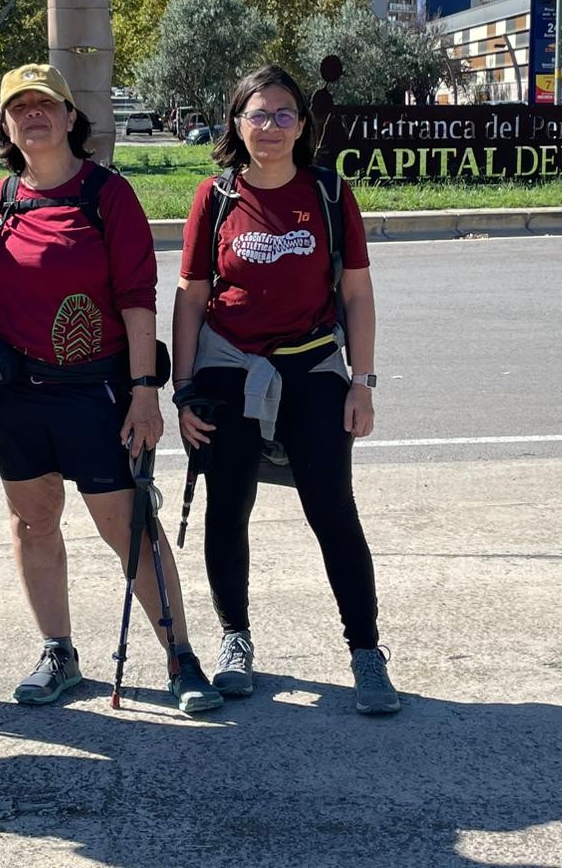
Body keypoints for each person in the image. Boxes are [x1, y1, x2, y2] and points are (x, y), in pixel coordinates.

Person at [0, 63, 221, 714]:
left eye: (46, 104)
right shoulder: (2, 198)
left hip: (95, 390)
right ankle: (58, 653)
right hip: (17, 395)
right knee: (32, 522)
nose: (33, 115)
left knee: (128, 526)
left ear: (71, 116)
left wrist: (144, 392)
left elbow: (137, 300)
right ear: (5, 124)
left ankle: (181, 658)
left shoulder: (107, 195)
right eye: (19, 107)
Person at [170, 66, 399, 715]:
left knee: (333, 512)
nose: (270, 126)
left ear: (302, 125)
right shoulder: (215, 197)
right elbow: (191, 297)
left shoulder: (328, 192)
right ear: (236, 123)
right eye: (258, 114)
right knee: (227, 509)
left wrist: (363, 383)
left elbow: (357, 293)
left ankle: (366, 653)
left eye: (283, 114)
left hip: (313, 370)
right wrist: (183, 391)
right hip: (228, 371)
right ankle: (235, 640)